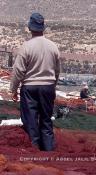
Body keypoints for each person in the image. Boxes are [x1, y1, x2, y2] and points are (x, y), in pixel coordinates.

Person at [9, 13, 60, 151]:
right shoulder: (53, 46)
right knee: (46, 120)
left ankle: (34, 149)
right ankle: (48, 151)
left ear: (30, 28)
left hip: (30, 88)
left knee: (30, 121)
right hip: (48, 87)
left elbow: (18, 71)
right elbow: (57, 71)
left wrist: (13, 90)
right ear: (43, 28)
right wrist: (52, 87)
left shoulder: (26, 47)